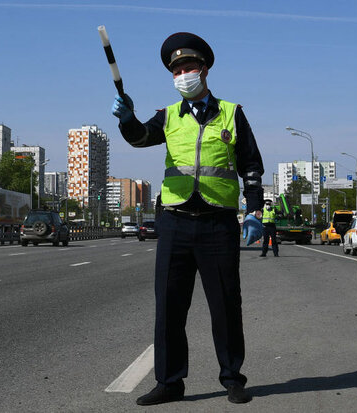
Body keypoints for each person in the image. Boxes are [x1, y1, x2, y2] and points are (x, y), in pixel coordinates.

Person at [111, 32, 264, 406]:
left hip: (217, 225)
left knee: (226, 305)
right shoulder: (168, 116)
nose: (182, 74)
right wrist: (129, 119)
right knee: (169, 306)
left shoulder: (232, 113)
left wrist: (256, 211)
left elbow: (251, 167)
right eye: (176, 69)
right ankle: (169, 382)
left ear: (204, 69)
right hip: (176, 222)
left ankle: (232, 378)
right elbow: (141, 137)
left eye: (188, 67)